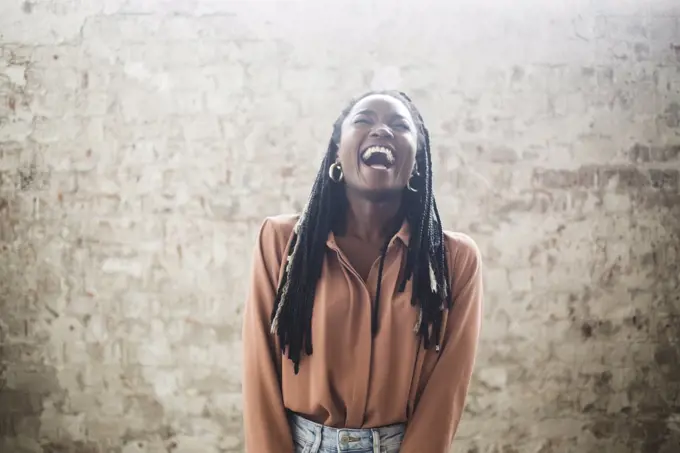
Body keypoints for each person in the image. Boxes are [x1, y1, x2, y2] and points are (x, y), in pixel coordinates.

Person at [241, 90, 483, 453]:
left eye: (400, 125)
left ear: (416, 162)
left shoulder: (454, 260)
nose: (382, 130)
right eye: (364, 120)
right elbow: (260, 371)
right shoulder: (282, 243)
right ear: (337, 152)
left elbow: (445, 393)